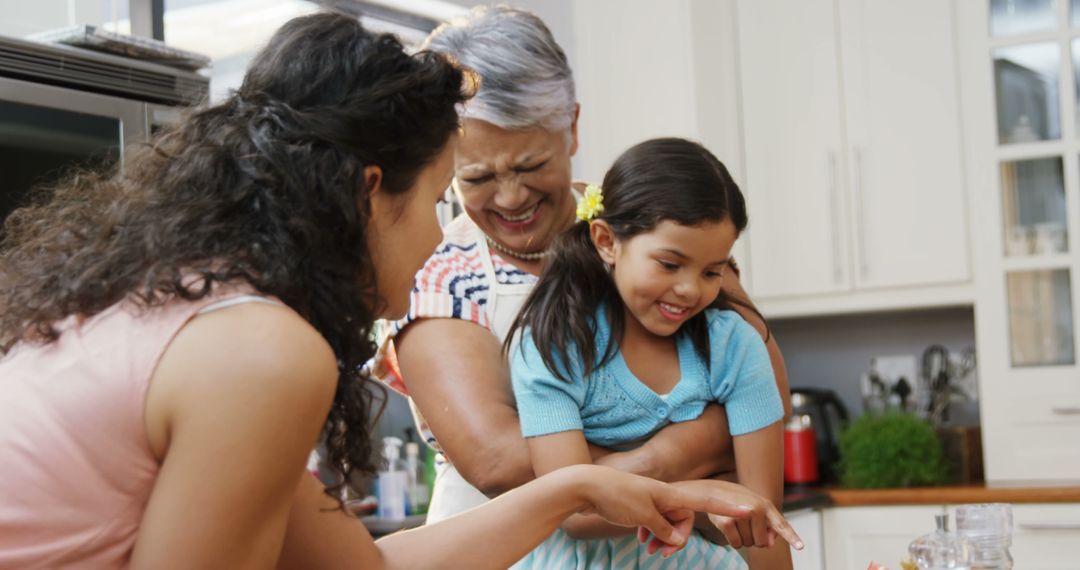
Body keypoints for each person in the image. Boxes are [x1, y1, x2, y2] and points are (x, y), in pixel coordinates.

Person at [0, 13, 800, 569]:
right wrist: (674, 449)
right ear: (369, 195)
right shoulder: (261, 352)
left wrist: (582, 485)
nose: (435, 241)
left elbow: (366, 566)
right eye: (439, 198)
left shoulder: (195, 310)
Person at [384, 3, 792, 533]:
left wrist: (624, 474)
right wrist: (670, 461)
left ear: (571, 128)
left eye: (531, 165)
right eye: (477, 177)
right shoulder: (435, 272)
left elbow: (766, 387)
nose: (510, 198)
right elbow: (499, 461)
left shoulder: (656, 230)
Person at [507, 138, 792, 569]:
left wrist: (619, 481)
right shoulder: (555, 345)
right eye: (669, 264)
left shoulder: (735, 346)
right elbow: (573, 512)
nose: (690, 289)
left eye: (712, 270)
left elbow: (759, 521)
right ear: (606, 241)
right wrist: (702, 495)